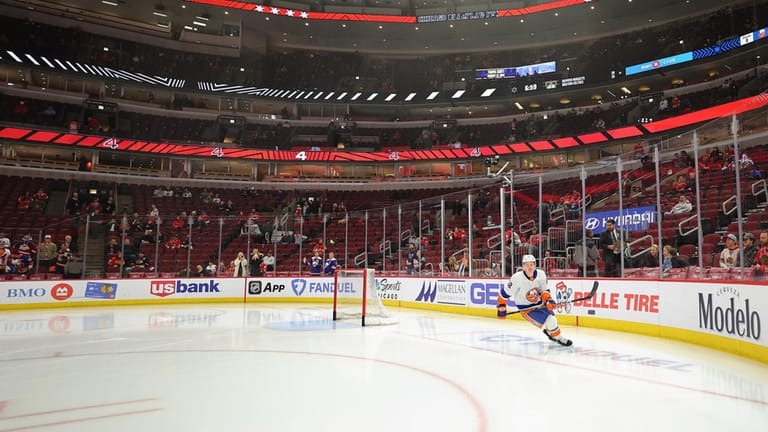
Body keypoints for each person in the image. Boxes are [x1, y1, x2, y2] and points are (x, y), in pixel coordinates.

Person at [497, 255, 572, 347]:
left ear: (535, 265)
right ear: (523, 266)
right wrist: (501, 306)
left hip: (540, 304)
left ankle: (551, 333)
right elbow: (505, 293)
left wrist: (548, 300)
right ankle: (559, 338)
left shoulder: (541, 274)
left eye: (531, 264)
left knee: (553, 321)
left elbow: (544, 290)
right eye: (527, 265)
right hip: (527, 309)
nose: (529, 267)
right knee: (550, 320)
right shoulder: (516, 278)